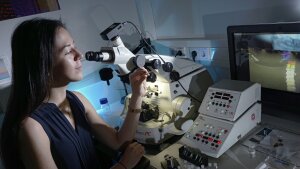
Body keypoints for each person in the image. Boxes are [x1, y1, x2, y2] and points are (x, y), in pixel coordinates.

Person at [0, 18, 149, 169]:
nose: (80, 55)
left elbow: (118, 141)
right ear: (42, 64)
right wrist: (123, 166)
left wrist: (137, 95)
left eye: (75, 46)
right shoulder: (32, 128)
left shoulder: (78, 99)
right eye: (68, 51)